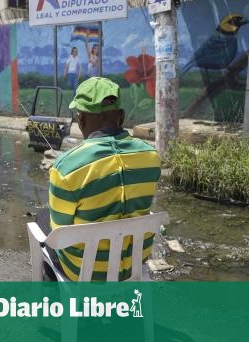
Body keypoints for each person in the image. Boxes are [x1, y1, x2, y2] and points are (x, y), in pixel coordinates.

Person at [38, 77, 161, 281]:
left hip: (84, 273)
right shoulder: (151, 156)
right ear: (121, 116)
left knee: (43, 218)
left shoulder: (66, 167)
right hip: (134, 264)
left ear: (81, 119)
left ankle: (55, 302)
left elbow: (60, 234)